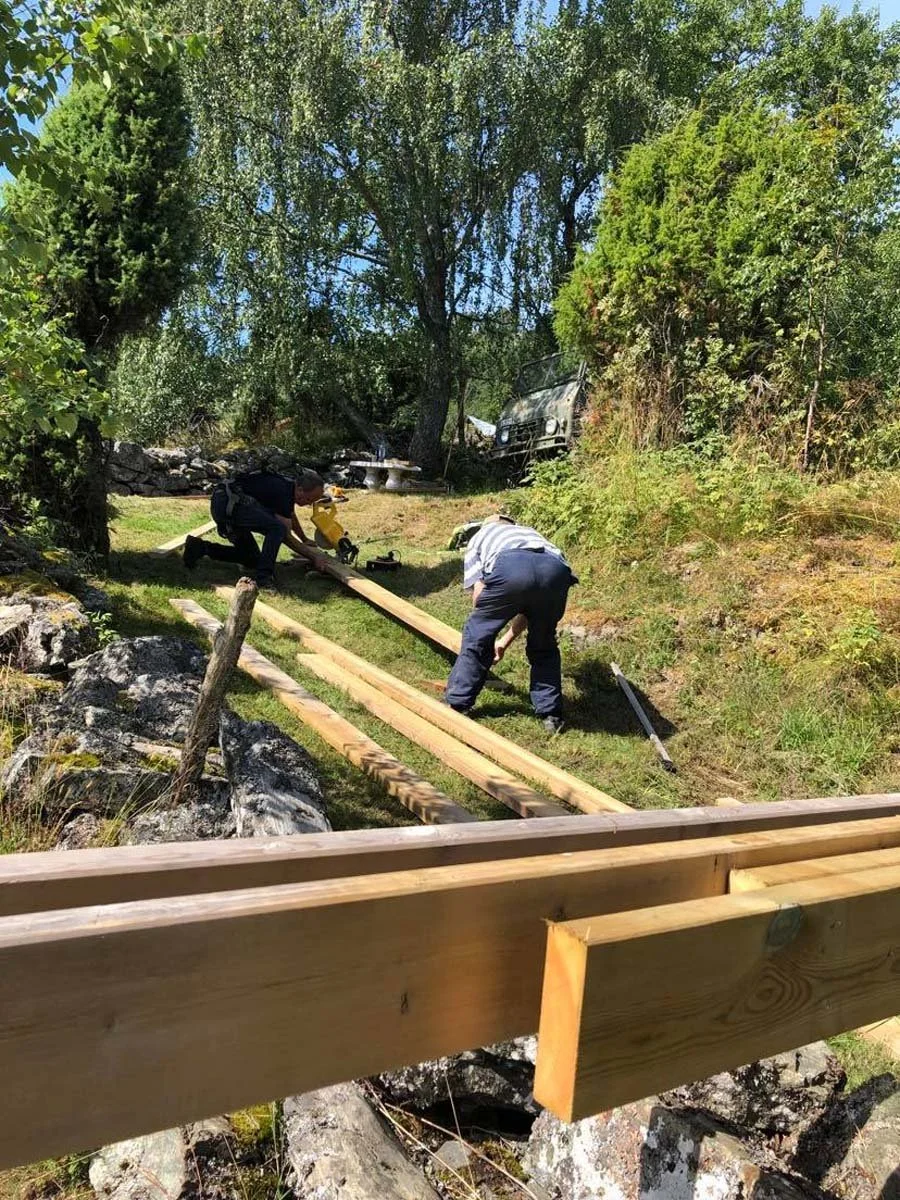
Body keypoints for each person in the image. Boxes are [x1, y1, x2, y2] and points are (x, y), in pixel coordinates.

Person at [445, 515, 577, 734]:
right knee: (544, 644)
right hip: (556, 571)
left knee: (477, 637)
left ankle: (458, 703)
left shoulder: (480, 537)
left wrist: (489, 631)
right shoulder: (531, 534)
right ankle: (551, 715)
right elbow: (530, 607)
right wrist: (504, 642)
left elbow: (480, 598)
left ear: (486, 525)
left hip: (511, 565)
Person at [183, 468, 325, 589]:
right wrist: (314, 557)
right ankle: (264, 578)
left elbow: (290, 514)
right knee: (277, 529)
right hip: (228, 505)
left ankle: (199, 547)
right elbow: (286, 536)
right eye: (309, 499)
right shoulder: (282, 491)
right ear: (300, 489)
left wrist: (304, 539)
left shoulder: (288, 487)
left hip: (228, 502)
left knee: (252, 558)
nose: (308, 504)